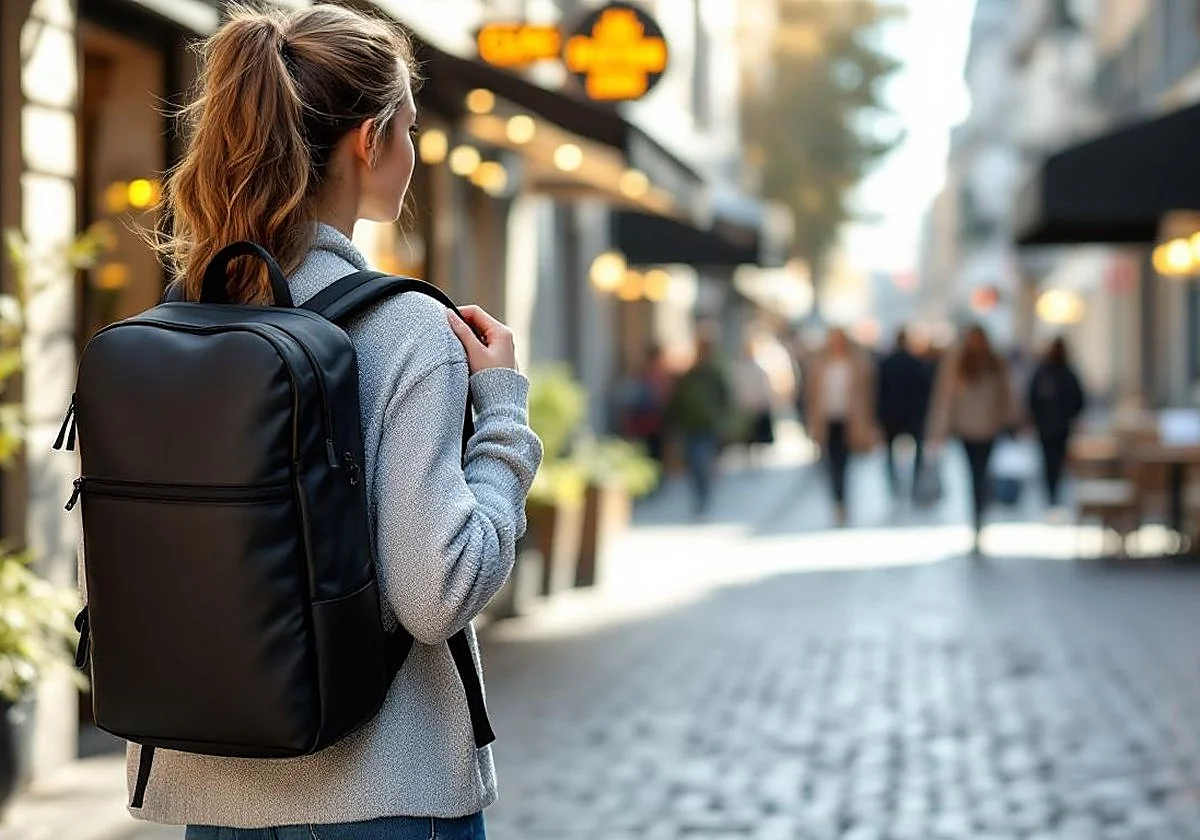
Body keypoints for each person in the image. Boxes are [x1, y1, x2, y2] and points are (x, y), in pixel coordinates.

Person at [129, 5, 543, 837]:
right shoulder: (404, 329)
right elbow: (440, 593)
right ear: (369, 139)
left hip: (213, 799)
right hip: (379, 798)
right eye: (412, 129)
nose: (414, 153)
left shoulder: (180, 326)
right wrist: (502, 418)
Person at [927, 324, 1015, 556]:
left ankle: (981, 514)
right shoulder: (957, 364)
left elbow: (1006, 393)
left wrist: (1010, 419)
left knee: (983, 472)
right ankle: (976, 516)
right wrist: (940, 431)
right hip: (966, 429)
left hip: (989, 428)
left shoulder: (995, 363)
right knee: (973, 474)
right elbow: (945, 399)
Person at [805, 328, 877, 526]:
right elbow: (811, 396)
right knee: (830, 464)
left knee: (844, 463)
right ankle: (837, 501)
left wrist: (868, 423)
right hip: (827, 420)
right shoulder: (819, 364)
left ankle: (843, 501)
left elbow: (867, 396)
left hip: (849, 421)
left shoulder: (858, 363)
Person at [666, 330, 733, 516]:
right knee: (693, 461)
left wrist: (724, 421)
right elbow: (679, 397)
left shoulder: (714, 370)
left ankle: (704, 494)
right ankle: (701, 494)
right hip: (691, 423)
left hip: (708, 423)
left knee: (700, 460)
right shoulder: (691, 370)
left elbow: (725, 397)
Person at [1027, 336, 1086, 510]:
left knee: (1055, 462)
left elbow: (1078, 400)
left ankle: (1054, 494)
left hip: (1058, 427)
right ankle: (1051, 495)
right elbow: (1032, 398)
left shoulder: (1065, 374)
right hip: (1049, 427)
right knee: (1049, 461)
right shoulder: (1046, 373)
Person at [876, 327, 934, 499]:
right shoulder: (916, 363)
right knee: (917, 452)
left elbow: (879, 392)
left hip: (892, 415)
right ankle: (914, 483)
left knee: (889, 454)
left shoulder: (887, 363)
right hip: (911, 415)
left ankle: (894, 484)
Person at [618, 343, 673, 472]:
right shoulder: (645, 377)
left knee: (654, 458)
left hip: (656, 425)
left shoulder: (658, 377)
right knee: (647, 457)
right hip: (644, 425)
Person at [731, 335, 776, 466]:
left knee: (755, 435)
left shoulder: (757, 368)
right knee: (748, 435)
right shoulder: (739, 368)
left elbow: (763, 387)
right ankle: (750, 457)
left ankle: (754, 456)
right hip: (747, 407)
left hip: (755, 406)